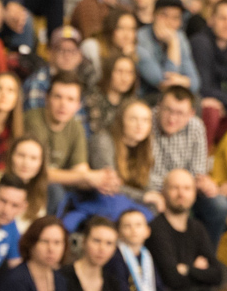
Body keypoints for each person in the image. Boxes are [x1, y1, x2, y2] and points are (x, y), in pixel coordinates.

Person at [149, 169, 224, 291]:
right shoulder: (156, 228)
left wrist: (187, 269)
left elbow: (217, 274)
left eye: (187, 188)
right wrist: (197, 269)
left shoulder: (197, 227)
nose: (181, 193)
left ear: (194, 194)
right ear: (163, 192)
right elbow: (172, 278)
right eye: (175, 188)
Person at [24, 75, 117, 214]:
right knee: (55, 191)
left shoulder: (76, 127)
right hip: (31, 184)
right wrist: (87, 177)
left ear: (78, 105)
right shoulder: (32, 120)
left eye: (70, 99)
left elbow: (81, 170)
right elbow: (37, 172)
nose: (63, 104)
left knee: (105, 196)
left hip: (63, 187)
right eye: (58, 97)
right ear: (47, 98)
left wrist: (104, 180)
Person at [150, 87, 227, 243]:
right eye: (168, 110)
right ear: (159, 106)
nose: (172, 118)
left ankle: (206, 254)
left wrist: (204, 185)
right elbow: (143, 173)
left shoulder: (196, 126)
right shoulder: (146, 121)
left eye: (180, 113)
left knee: (219, 204)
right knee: (153, 207)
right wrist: (173, 188)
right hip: (154, 189)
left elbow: (198, 173)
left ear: (191, 114)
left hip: (187, 189)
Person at [192, 0, 227, 139]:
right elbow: (204, 88)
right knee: (211, 109)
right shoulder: (200, 42)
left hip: (224, 106)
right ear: (211, 20)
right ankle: (205, 152)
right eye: (223, 18)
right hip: (198, 102)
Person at [22, 26, 96, 119]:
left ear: (80, 56)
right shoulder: (36, 83)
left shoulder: (84, 82)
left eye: (72, 50)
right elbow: (34, 121)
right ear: (50, 53)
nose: (67, 55)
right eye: (61, 50)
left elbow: (83, 122)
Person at [136, 0, 199, 95]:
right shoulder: (140, 38)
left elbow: (195, 82)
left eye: (175, 18)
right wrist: (173, 45)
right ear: (153, 15)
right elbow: (164, 82)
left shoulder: (179, 37)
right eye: (164, 15)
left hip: (175, 97)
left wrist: (183, 81)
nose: (169, 22)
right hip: (148, 97)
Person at [86, 53, 139, 152]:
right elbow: (95, 130)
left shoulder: (133, 102)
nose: (125, 78)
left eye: (130, 73)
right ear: (109, 72)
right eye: (119, 71)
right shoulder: (93, 96)